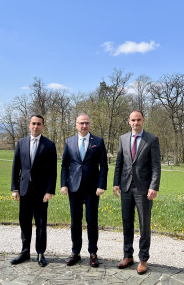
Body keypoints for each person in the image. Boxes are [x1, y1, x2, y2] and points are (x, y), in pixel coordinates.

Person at [113, 110, 161, 275]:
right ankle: (128, 256)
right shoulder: (123, 139)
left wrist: (154, 186)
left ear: (143, 120)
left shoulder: (152, 139)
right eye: (133, 120)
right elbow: (119, 162)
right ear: (129, 121)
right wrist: (115, 183)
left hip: (144, 189)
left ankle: (143, 259)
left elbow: (156, 165)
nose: (136, 123)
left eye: (138, 120)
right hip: (126, 187)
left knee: (144, 225)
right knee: (127, 223)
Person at [61, 114, 108, 267]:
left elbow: (104, 167)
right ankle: (75, 252)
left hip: (92, 189)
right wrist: (64, 184)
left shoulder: (98, 142)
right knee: (75, 221)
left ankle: (93, 253)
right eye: (81, 123)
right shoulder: (69, 142)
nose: (84, 126)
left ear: (89, 125)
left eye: (87, 123)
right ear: (76, 125)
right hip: (74, 188)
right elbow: (64, 166)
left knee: (91, 220)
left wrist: (102, 185)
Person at [10, 114, 57, 267]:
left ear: (43, 126)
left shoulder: (49, 145)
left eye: (39, 124)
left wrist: (49, 191)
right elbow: (16, 167)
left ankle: (40, 253)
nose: (36, 126)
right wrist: (15, 188)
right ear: (29, 125)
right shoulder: (21, 143)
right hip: (24, 191)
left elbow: (52, 171)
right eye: (33, 123)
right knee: (24, 221)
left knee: (41, 222)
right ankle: (24, 251)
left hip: (42, 193)